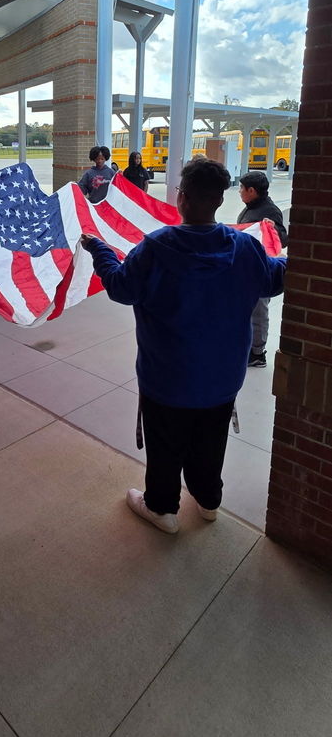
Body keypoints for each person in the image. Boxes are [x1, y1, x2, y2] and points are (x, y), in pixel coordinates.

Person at [81, 159, 286, 535]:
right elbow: (274, 279)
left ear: (183, 198)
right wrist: (284, 250)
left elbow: (121, 287)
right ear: (218, 200)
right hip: (223, 379)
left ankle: (162, 508)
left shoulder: (158, 247)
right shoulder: (246, 248)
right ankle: (208, 500)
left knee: (166, 445)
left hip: (167, 378)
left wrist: (100, 250)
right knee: (210, 442)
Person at [237, 170, 288, 368]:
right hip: (247, 266)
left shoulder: (270, 210)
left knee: (259, 309)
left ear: (252, 190)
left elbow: (282, 239)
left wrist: (273, 228)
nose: (239, 191)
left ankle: (258, 353)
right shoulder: (250, 206)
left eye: (242, 188)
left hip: (261, 268)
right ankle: (250, 345)